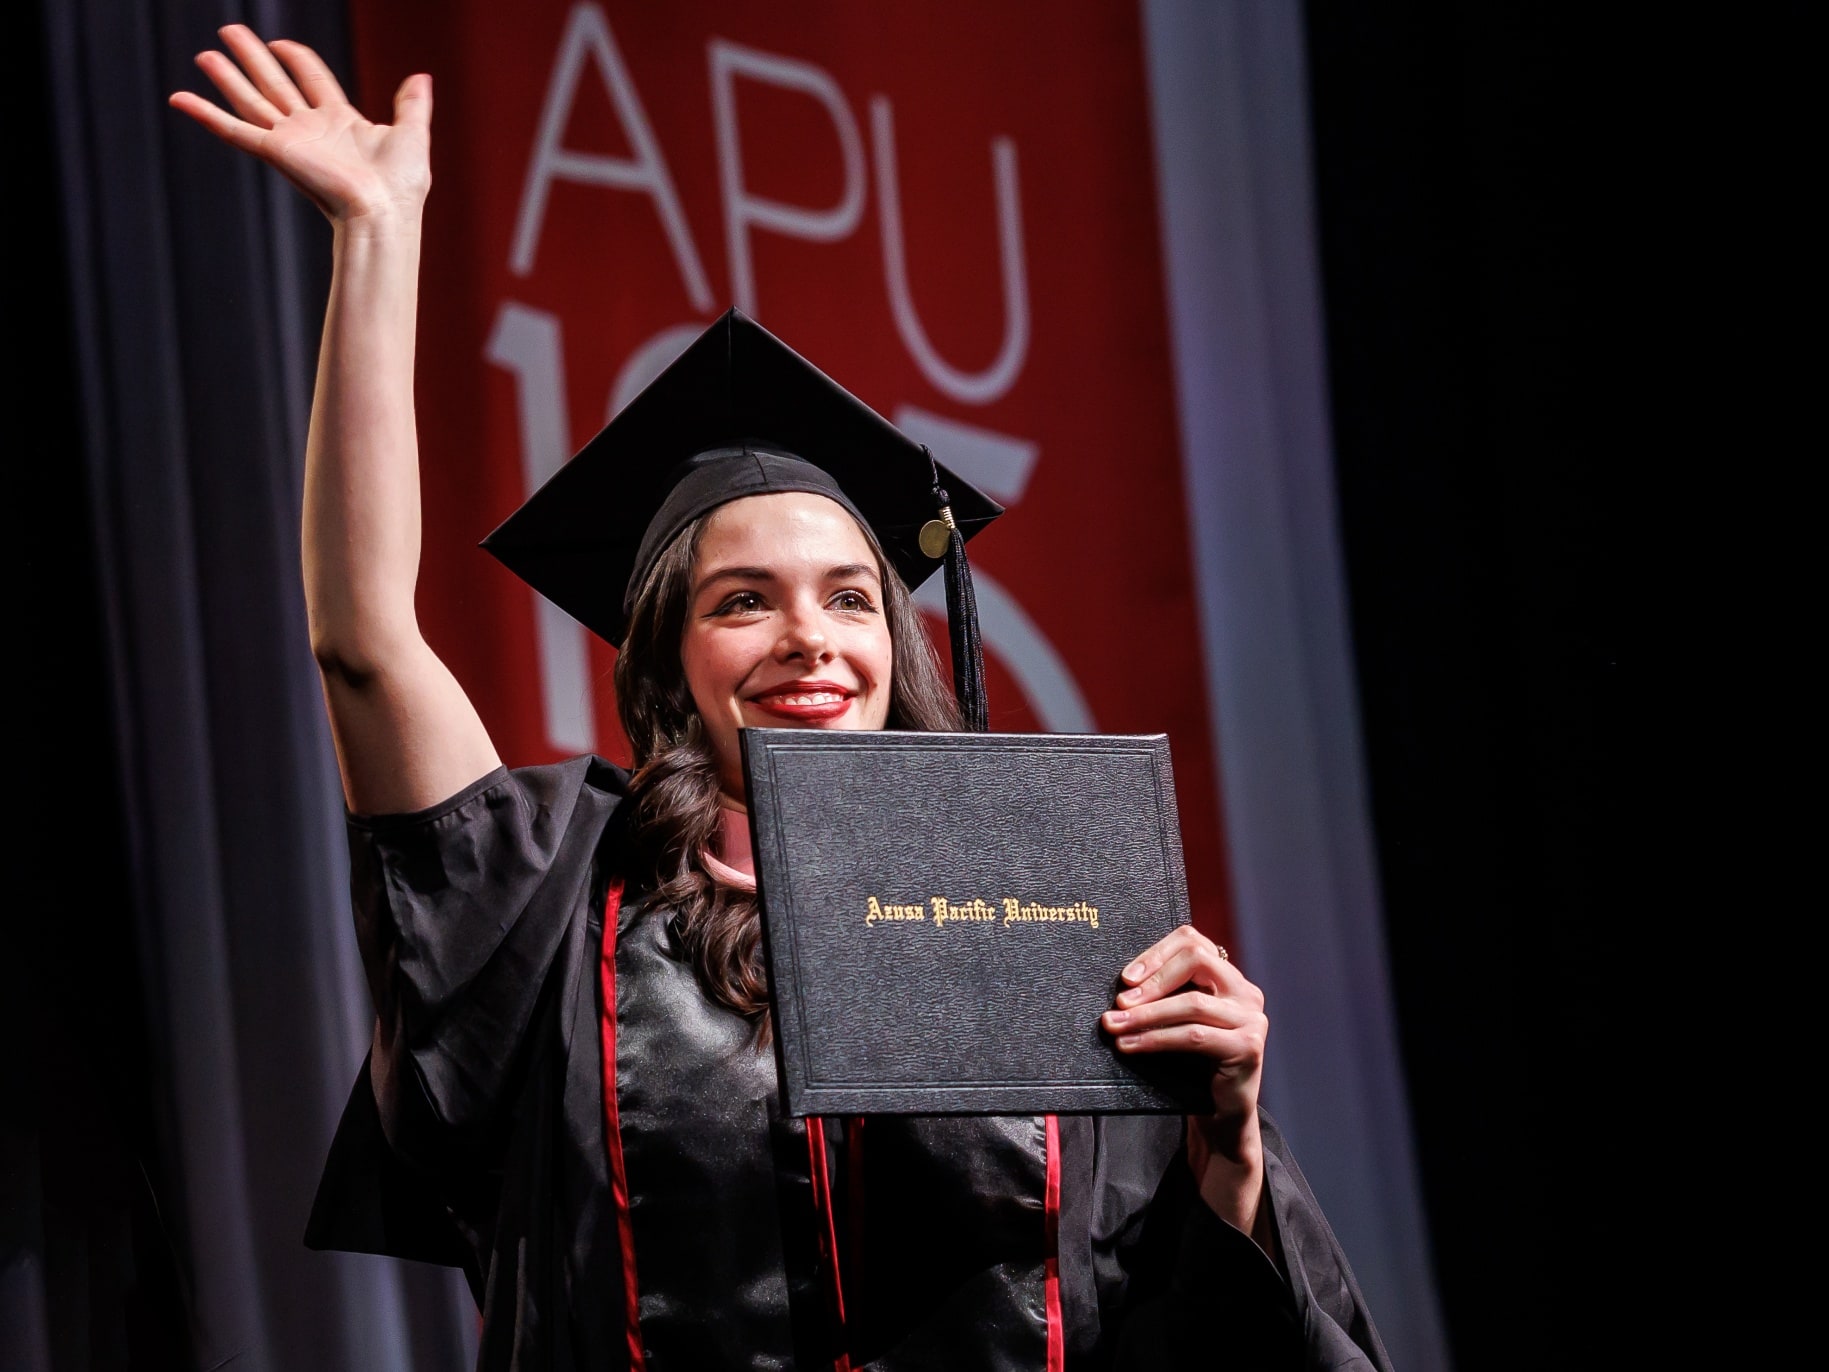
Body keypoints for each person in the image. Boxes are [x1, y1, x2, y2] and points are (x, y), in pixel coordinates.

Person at [171, 24, 1392, 1372]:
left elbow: (1171, 1326)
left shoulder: (1048, 925)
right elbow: (363, 644)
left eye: (851, 597)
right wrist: (378, 236)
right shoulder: (549, 897)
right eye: (741, 599)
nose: (808, 637)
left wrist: (1224, 1138)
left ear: (896, 646)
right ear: (668, 662)